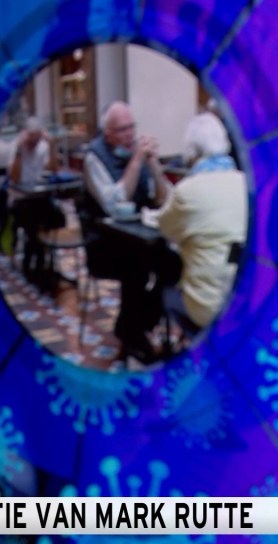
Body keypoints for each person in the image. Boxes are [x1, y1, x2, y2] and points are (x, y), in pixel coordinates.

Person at [80, 102, 176, 363]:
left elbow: (166, 199)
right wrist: (136, 161)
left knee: (174, 263)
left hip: (139, 239)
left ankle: (136, 324)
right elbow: (112, 205)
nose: (130, 134)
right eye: (123, 130)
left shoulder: (138, 153)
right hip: (103, 244)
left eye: (132, 127)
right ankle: (133, 335)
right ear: (108, 133)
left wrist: (153, 165)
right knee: (136, 269)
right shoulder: (94, 158)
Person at [158, 112, 247, 330]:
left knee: (165, 284)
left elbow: (165, 229)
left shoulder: (187, 191)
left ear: (192, 153)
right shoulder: (248, 184)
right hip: (246, 303)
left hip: (206, 309)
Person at [7, 117, 64, 287]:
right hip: (20, 199)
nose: (34, 143)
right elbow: (15, 178)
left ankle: (43, 260)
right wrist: (19, 151)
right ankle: (34, 264)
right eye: (31, 139)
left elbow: (54, 170)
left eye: (37, 138)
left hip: (39, 197)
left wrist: (52, 147)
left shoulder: (43, 146)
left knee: (56, 217)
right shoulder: (16, 147)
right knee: (33, 224)